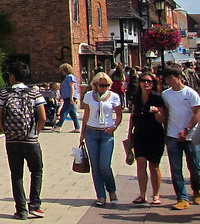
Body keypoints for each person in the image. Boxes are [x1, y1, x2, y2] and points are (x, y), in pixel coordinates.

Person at [0, 60, 47, 219]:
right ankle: (34, 205)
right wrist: (35, 132)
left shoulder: (4, 94)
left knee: (17, 175)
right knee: (36, 171)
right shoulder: (34, 93)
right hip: (31, 140)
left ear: (12, 76)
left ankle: (21, 210)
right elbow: (43, 117)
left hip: (12, 141)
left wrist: (7, 132)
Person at [160, 64, 200, 210]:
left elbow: (197, 113)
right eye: (167, 79)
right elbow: (165, 113)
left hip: (191, 136)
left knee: (195, 167)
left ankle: (197, 190)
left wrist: (187, 129)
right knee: (176, 168)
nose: (169, 82)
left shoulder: (191, 94)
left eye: (171, 78)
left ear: (179, 77)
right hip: (172, 135)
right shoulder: (166, 94)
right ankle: (182, 198)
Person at [79, 72, 123, 206]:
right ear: (95, 85)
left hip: (106, 133)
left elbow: (119, 115)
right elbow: (86, 115)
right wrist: (82, 134)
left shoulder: (114, 97)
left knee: (105, 165)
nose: (104, 88)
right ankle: (101, 196)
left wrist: (114, 127)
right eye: (102, 85)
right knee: (95, 167)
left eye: (107, 85)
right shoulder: (88, 96)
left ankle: (112, 191)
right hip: (91, 132)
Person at [128, 71, 166, 205]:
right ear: (139, 83)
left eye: (149, 81)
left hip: (155, 135)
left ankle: (156, 195)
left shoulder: (157, 98)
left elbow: (162, 119)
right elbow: (133, 117)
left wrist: (156, 112)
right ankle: (142, 194)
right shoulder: (137, 97)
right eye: (143, 81)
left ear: (153, 83)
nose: (146, 83)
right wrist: (129, 135)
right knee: (141, 163)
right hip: (139, 134)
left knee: (154, 165)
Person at [55, 63, 81, 131]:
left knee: (64, 111)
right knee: (72, 113)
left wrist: (71, 97)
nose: (61, 72)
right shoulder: (68, 77)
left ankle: (58, 126)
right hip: (67, 97)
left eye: (62, 70)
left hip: (70, 97)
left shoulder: (70, 77)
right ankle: (77, 127)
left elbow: (72, 87)